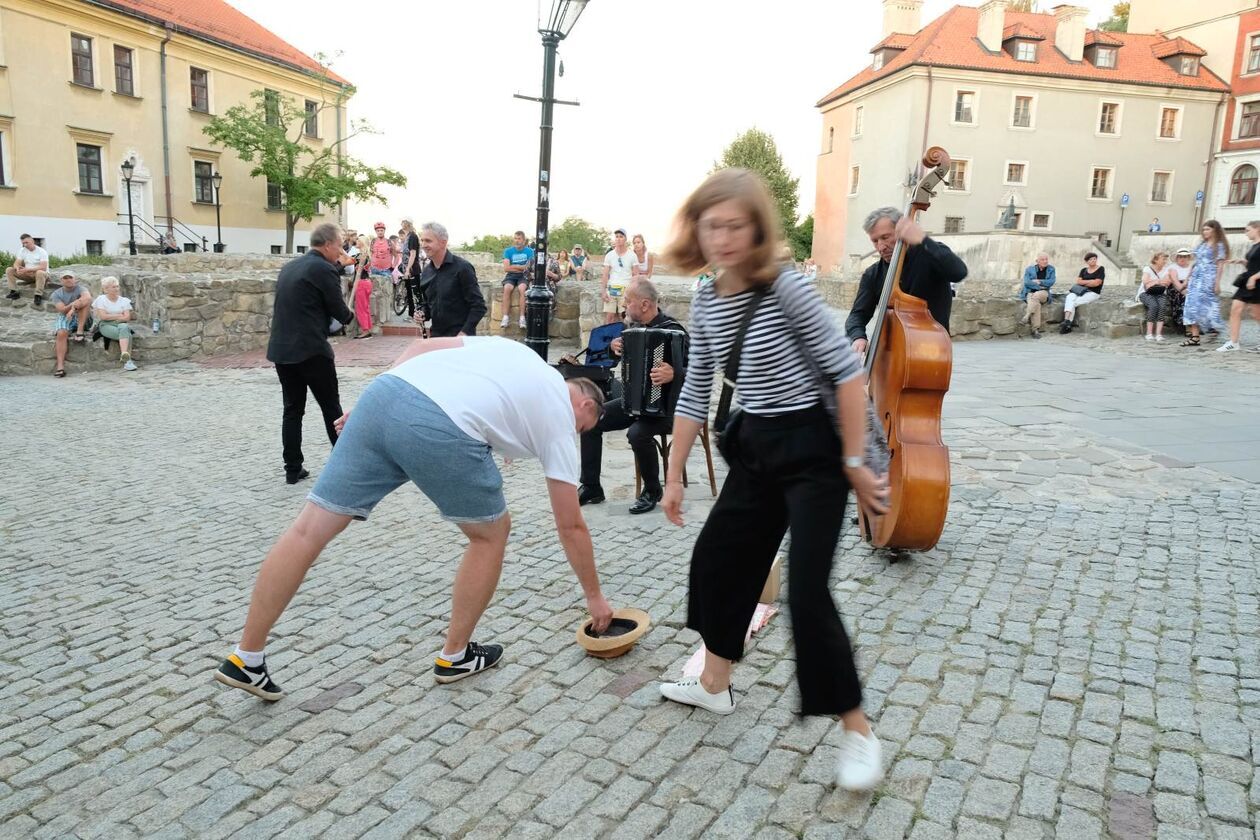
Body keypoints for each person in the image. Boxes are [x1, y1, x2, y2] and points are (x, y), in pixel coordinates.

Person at [213, 336, 615, 700]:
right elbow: (570, 524)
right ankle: (455, 656)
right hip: (439, 425)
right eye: (583, 428)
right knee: (491, 534)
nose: (575, 434)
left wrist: (381, 401)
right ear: (584, 404)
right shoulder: (562, 417)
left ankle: (246, 654)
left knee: (307, 530)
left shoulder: (518, 355)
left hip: (383, 394)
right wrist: (594, 596)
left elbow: (424, 348)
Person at [657, 168, 889, 791]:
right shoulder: (706, 298)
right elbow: (696, 390)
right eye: (713, 226)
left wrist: (855, 464)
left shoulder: (786, 289)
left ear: (757, 229)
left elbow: (845, 374)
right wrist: (673, 474)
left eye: (736, 225)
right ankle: (714, 684)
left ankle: (859, 730)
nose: (724, 237)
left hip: (816, 451)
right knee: (715, 563)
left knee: (807, 594)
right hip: (757, 447)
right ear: (697, 231)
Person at [579, 278, 686, 514]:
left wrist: (674, 373)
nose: (624, 307)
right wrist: (613, 348)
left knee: (637, 433)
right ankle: (591, 486)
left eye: (628, 301)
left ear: (645, 304)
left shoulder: (674, 331)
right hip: (633, 401)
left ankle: (652, 489)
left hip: (667, 407)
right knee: (590, 419)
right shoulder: (631, 329)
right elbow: (614, 362)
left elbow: (699, 371)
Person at [267, 223, 355, 485]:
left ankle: (292, 468)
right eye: (339, 245)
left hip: (283, 350)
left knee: (292, 410)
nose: (340, 251)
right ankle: (344, 467)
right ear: (327, 244)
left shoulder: (291, 267)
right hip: (312, 351)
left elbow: (309, 294)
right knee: (332, 409)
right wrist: (349, 316)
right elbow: (340, 311)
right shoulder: (323, 269)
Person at [846, 207, 968, 354]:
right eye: (875, 241)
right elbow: (857, 315)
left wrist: (922, 239)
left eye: (885, 237)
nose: (881, 247)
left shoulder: (930, 255)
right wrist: (858, 337)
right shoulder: (872, 274)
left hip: (929, 353)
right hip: (889, 356)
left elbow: (958, 272)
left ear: (901, 231)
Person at [417, 222, 487, 338]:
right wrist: (423, 313)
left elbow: (479, 306)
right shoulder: (426, 271)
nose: (423, 245)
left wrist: (465, 332)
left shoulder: (463, 268)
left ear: (443, 242)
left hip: (460, 338)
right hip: (436, 337)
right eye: (422, 240)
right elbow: (428, 304)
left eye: (428, 241)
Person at [1182, 220, 1229, 347]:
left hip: (1208, 279)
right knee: (1192, 306)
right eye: (1203, 230)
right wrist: (1187, 278)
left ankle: (1213, 326)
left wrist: (1217, 283)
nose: (1205, 232)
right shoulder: (1201, 245)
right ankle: (1195, 337)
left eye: (1208, 229)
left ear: (1215, 230)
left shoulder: (1219, 246)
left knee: (1206, 306)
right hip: (1196, 278)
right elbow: (1195, 262)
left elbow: (1220, 266)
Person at [1219, 219, 1260, 352]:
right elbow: (1253, 264)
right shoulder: (1254, 245)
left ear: (1257, 229)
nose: (1245, 233)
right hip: (1247, 281)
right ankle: (1234, 342)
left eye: (1248, 230)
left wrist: (1254, 278)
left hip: (1256, 282)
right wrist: (1242, 261)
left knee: (1257, 315)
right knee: (1235, 309)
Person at [50, 270, 93, 378]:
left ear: (75, 279)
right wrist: (74, 304)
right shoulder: (56, 294)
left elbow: (87, 298)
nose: (68, 280)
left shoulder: (81, 288)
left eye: (70, 277)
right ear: (61, 280)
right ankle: (60, 367)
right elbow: (62, 310)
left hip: (82, 316)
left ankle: (80, 331)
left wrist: (73, 308)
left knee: (85, 303)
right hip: (66, 315)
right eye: (65, 278)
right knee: (61, 333)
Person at [92, 276, 138, 371]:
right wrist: (119, 315)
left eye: (117, 286)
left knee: (124, 326)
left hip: (120, 324)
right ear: (106, 289)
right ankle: (127, 360)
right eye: (113, 287)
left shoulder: (124, 300)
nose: (116, 289)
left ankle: (124, 356)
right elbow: (103, 317)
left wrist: (113, 316)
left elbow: (127, 317)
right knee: (127, 334)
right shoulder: (101, 299)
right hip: (106, 324)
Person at [1059, 252, 1105, 334]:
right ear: (1087, 261)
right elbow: (1078, 281)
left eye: (1095, 258)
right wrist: (1091, 281)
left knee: (1074, 302)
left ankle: (1067, 324)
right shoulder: (1083, 270)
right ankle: (1067, 321)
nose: (1093, 260)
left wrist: (1085, 282)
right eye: (1091, 259)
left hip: (1093, 293)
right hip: (1080, 291)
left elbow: (1097, 283)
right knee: (1070, 297)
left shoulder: (1101, 269)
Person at [1018, 252, 1056, 339]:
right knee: (1036, 304)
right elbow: (1027, 282)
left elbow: (1051, 282)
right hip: (1030, 292)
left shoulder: (1051, 269)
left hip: (1044, 293)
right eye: (1042, 259)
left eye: (1046, 259)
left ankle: (1027, 315)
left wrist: (1039, 281)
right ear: (1037, 261)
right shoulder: (1029, 269)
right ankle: (1035, 330)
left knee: (1036, 296)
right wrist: (1039, 286)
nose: (1045, 261)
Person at [6, 233, 50, 306]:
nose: (25, 245)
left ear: (33, 241)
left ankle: (38, 295)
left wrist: (27, 270)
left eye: (27, 242)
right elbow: (16, 263)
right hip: (28, 274)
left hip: (41, 275)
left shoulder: (42, 251)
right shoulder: (22, 250)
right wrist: (17, 268)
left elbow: (43, 267)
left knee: (40, 272)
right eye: (23, 243)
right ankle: (14, 291)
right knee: (9, 269)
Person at [601, 228, 635, 324]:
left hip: (625, 290)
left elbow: (636, 275)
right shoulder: (609, 255)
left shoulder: (632, 255)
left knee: (623, 316)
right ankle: (609, 338)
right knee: (609, 317)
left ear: (625, 239)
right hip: (611, 289)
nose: (618, 239)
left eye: (621, 236)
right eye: (616, 237)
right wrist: (603, 291)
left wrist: (633, 293)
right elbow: (605, 274)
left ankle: (624, 338)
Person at [501, 231, 533, 329]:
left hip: (524, 275)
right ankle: (505, 317)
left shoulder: (530, 251)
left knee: (522, 289)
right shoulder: (508, 251)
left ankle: (522, 318)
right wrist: (521, 266)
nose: (517, 241)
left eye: (519, 239)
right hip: (511, 275)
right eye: (515, 238)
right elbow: (506, 268)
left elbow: (529, 267)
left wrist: (514, 265)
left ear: (523, 240)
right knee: (507, 288)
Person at [1139, 252, 1173, 342]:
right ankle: (1149, 333)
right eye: (1163, 259)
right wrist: (1159, 281)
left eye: (1166, 259)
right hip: (1145, 293)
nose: (1165, 261)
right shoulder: (1148, 269)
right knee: (1153, 306)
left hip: (1160, 293)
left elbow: (1167, 282)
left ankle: (1158, 334)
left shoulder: (1166, 270)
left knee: (1162, 307)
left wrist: (1153, 281)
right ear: (1156, 260)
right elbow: (1145, 282)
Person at [1166, 248, 1192, 333]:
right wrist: (1183, 291)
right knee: (1184, 298)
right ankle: (1187, 327)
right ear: (1177, 258)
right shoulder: (1173, 268)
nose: (1182, 259)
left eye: (1185, 257)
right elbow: (1175, 281)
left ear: (1188, 258)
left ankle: (1196, 326)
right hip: (1176, 289)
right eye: (1180, 257)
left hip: (1190, 287)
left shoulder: (1192, 267)